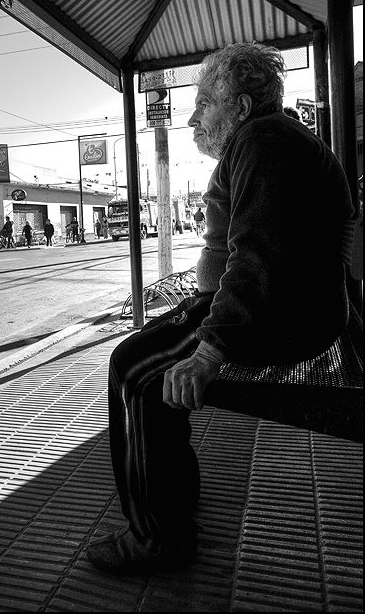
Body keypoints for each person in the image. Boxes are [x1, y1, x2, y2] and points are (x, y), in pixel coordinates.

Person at [86, 42, 354, 575]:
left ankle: (158, 537)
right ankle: (173, 501)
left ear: (243, 107)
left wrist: (209, 351)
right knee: (147, 356)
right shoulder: (269, 140)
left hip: (283, 319)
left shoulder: (264, 140)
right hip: (285, 307)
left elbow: (259, 260)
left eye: (206, 102)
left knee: (133, 369)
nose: (191, 117)